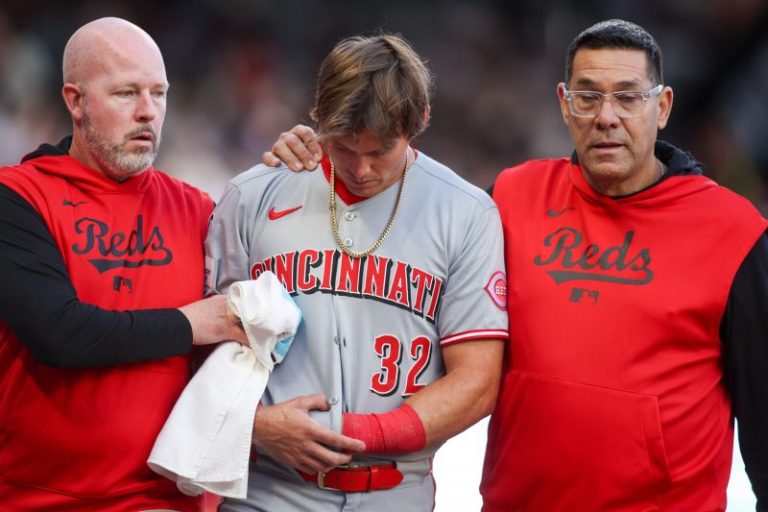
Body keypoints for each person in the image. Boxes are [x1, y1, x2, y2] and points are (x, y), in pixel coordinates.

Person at [263, 19, 768, 512]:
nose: (606, 116)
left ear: (662, 107)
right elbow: (394, 199)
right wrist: (320, 152)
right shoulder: (510, 198)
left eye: (628, 96)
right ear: (564, 106)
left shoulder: (733, 232)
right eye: (588, 96)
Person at [206, 34, 508, 511]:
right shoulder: (252, 195)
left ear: (421, 119)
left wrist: (354, 434)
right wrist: (253, 425)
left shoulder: (467, 212)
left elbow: (477, 381)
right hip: (270, 491)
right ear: (319, 120)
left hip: (397, 494)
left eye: (380, 151)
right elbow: (207, 347)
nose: (362, 168)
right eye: (344, 147)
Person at [0, 18, 246, 512]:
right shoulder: (19, 196)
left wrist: (301, 167)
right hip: (36, 499)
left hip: (166, 502)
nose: (148, 112)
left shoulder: (198, 209)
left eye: (159, 93)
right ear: (75, 101)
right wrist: (189, 324)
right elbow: (58, 333)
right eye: (126, 93)